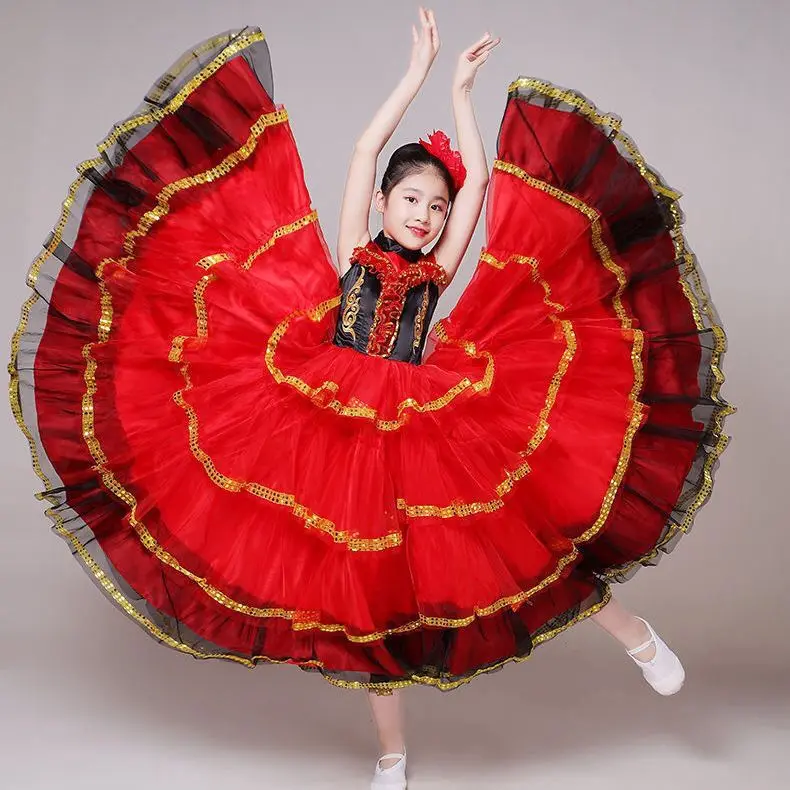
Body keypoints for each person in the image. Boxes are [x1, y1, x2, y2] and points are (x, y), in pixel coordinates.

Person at [9, 10, 733, 790]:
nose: (426, 216)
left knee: (524, 546)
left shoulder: (437, 271)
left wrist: (464, 93)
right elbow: (361, 149)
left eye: (437, 208)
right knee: (364, 593)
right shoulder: (357, 245)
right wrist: (414, 76)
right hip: (330, 407)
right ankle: (391, 749)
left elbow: (482, 183)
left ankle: (636, 637)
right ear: (387, 202)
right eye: (414, 200)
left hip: (422, 417)